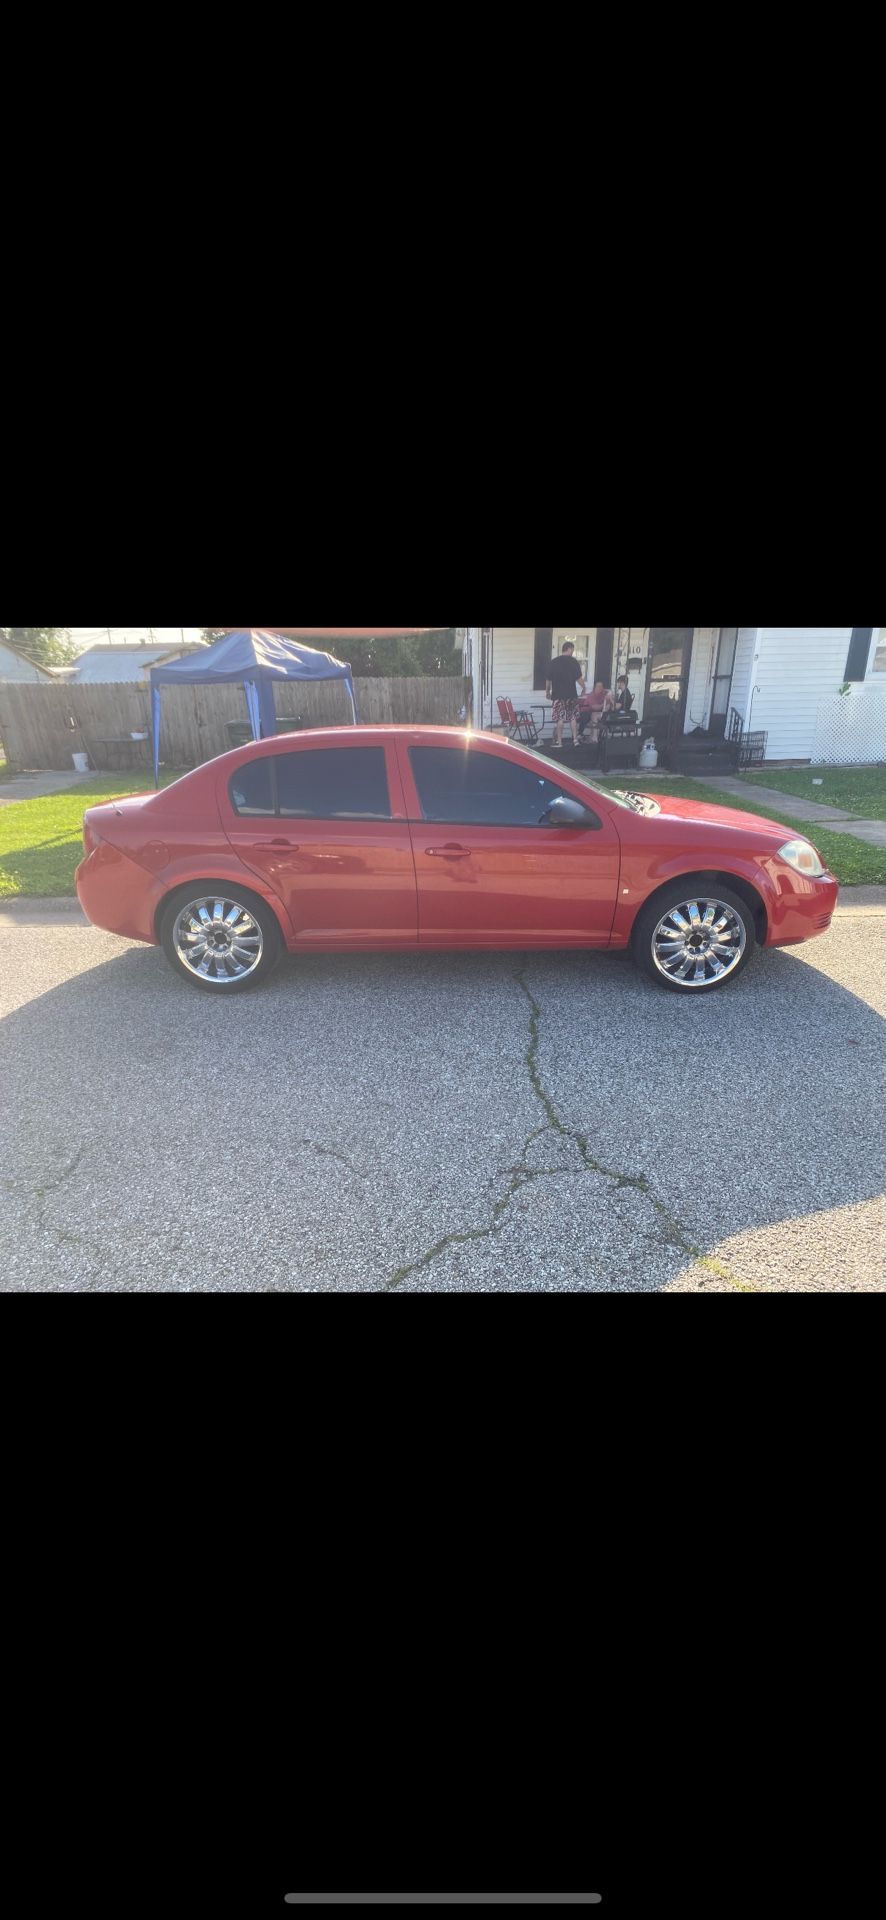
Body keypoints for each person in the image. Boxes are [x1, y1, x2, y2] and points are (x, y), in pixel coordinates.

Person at [545, 641, 585, 748]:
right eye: (572, 650)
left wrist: (547, 691)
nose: (572, 652)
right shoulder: (573, 662)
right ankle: (575, 740)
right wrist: (584, 688)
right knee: (573, 717)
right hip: (571, 694)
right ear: (569, 649)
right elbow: (579, 678)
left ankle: (560, 742)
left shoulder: (553, 662)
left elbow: (548, 679)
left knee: (560, 718)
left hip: (558, 695)